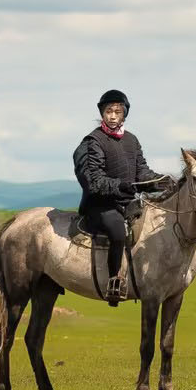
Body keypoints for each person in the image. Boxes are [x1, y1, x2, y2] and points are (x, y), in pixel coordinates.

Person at [72, 88, 163, 306]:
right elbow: (94, 180)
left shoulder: (132, 140)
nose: (113, 116)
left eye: (117, 112)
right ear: (102, 113)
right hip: (100, 206)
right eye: (109, 111)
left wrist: (160, 182)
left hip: (128, 203)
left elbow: (141, 171)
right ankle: (115, 280)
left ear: (124, 114)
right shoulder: (93, 141)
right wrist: (122, 186)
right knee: (118, 231)